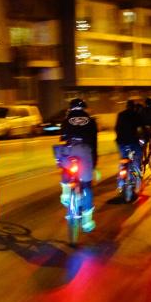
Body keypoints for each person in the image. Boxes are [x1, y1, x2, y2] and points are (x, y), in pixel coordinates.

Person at [59, 98, 98, 233]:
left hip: (70, 150)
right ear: (84, 108)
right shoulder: (91, 121)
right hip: (85, 151)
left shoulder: (66, 120)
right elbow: (94, 143)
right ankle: (87, 221)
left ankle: (65, 195)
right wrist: (94, 162)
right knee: (86, 185)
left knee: (64, 165)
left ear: (71, 108)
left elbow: (63, 138)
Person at [115, 99, 144, 172]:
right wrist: (142, 138)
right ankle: (137, 174)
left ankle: (121, 174)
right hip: (133, 142)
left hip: (121, 142)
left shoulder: (120, 114)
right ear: (134, 107)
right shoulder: (136, 115)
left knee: (124, 158)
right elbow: (140, 128)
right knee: (137, 156)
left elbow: (116, 128)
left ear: (126, 106)